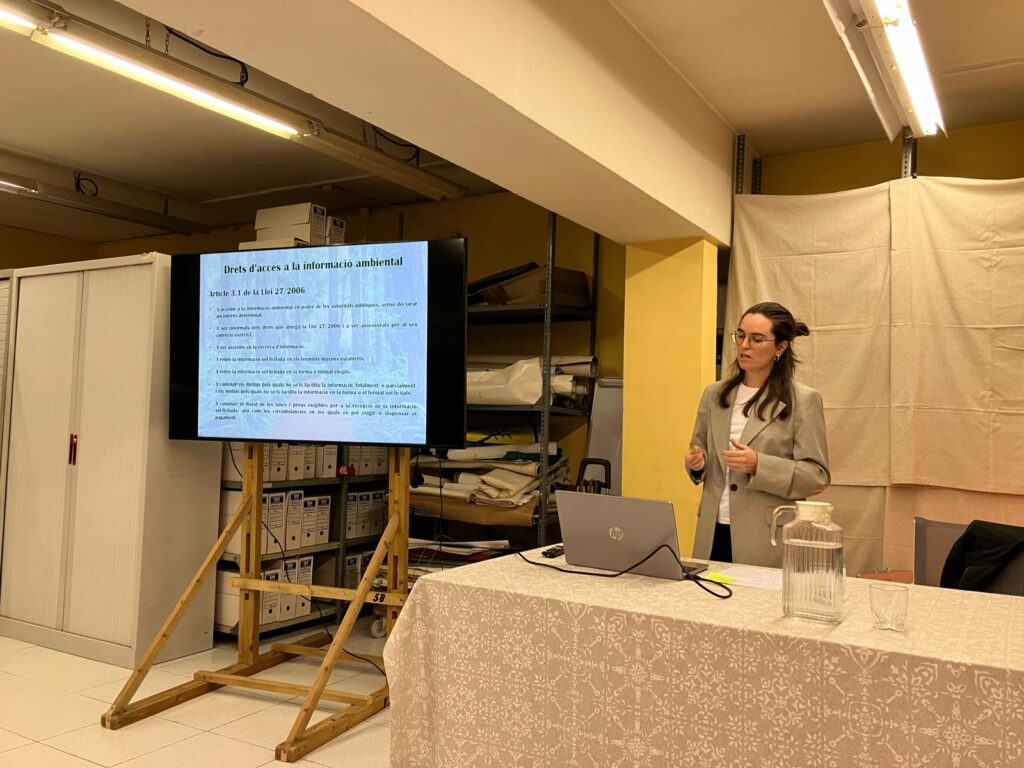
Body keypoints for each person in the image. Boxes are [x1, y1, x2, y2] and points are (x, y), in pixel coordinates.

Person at [685, 302, 830, 568]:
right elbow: (700, 450)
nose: (744, 345)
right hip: (712, 530)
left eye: (757, 339)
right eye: (741, 336)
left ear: (780, 347)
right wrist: (697, 463)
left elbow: (816, 476)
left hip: (765, 536)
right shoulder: (714, 395)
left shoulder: (803, 400)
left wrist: (759, 465)